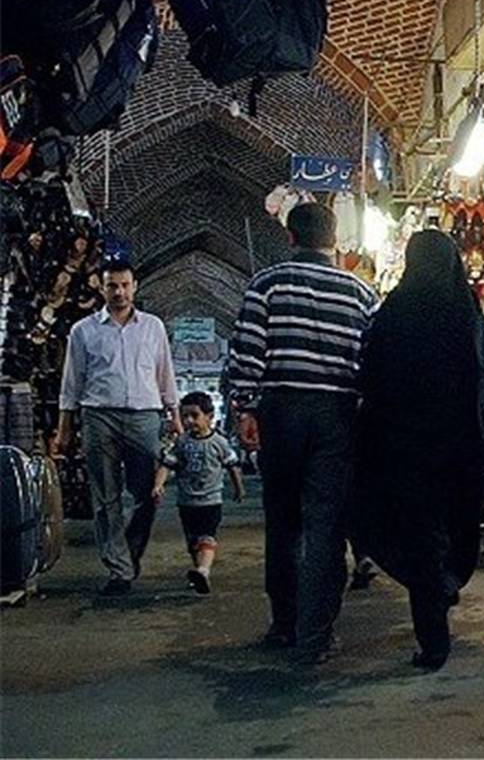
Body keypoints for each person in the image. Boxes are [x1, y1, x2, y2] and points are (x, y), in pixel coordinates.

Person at [224, 203, 378, 665]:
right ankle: (316, 634)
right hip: (337, 416)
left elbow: (247, 352)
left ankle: (284, 623)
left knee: (284, 523)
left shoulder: (266, 285)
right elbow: (371, 360)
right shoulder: (360, 293)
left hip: (282, 412)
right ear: (335, 240)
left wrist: (245, 408)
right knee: (327, 526)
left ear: (290, 237)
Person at [354, 229, 484, 672]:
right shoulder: (466, 312)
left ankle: (433, 630)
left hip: (407, 449)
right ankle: (443, 586)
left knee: (420, 539)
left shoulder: (396, 311)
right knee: (452, 529)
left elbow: (372, 378)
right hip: (461, 448)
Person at [53, 258, 182, 596]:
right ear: (102, 287)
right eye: (112, 285)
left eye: (125, 285)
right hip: (99, 417)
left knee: (147, 493)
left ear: (134, 287)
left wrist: (175, 414)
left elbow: (164, 372)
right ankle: (119, 569)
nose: (119, 292)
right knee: (105, 496)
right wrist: (64, 427)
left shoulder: (152, 327)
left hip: (144, 416)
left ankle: (129, 552)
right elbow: (72, 382)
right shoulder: (83, 331)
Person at [152, 391, 245, 595]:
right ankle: (200, 571)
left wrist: (239, 488)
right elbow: (167, 464)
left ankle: (203, 570)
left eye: (194, 415)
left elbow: (232, 466)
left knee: (207, 538)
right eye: (185, 416)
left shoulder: (219, 442)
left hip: (211, 501)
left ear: (209, 416)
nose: (189, 421)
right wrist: (158, 484)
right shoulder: (182, 443)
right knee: (193, 542)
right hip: (186, 502)